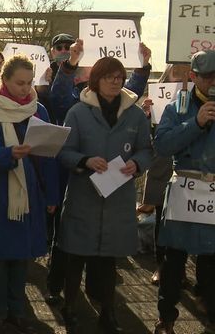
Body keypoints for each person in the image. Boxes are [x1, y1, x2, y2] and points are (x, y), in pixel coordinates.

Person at [45, 37, 153, 306]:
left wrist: (137, 164)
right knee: (74, 256)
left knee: (107, 262)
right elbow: (64, 151)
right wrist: (84, 161)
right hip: (84, 195)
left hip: (117, 198)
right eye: (109, 77)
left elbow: (146, 149)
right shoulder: (78, 111)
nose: (115, 82)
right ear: (96, 80)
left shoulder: (135, 114)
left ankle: (107, 312)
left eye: (119, 77)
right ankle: (69, 307)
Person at [0, 55, 59, 334]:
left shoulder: (38, 110)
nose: (25, 88)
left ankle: (17, 312)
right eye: (19, 83)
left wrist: (52, 195)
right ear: (4, 81)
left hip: (30, 195)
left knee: (21, 258)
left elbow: (48, 156)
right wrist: (8, 154)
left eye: (29, 82)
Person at [153, 50, 215, 334]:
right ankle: (166, 318)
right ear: (193, 77)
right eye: (207, 77)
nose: (213, 82)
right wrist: (196, 123)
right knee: (173, 260)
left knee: (211, 263)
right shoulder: (177, 107)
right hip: (185, 192)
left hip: (212, 193)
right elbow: (163, 145)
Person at [138, 64, 186, 286]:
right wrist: (146, 114)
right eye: (178, 71)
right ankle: (161, 266)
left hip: (187, 166)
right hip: (162, 166)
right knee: (161, 218)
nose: (182, 76)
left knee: (186, 219)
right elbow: (146, 136)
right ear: (169, 74)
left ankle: (181, 270)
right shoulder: (158, 95)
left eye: (187, 71)